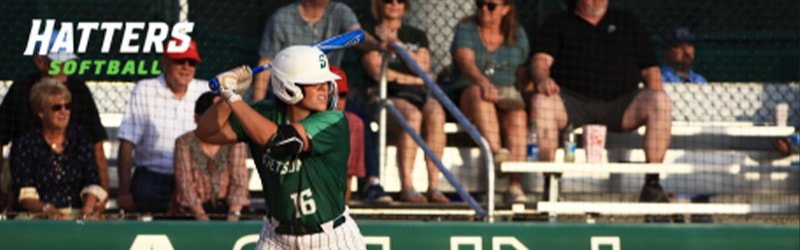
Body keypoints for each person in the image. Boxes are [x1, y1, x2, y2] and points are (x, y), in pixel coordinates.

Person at [196, 45, 365, 249]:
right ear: (288, 86)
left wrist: (232, 96)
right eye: (314, 82)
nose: (325, 88)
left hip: (330, 238)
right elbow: (206, 132)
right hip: (277, 237)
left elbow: (281, 141)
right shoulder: (263, 114)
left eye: (326, 81)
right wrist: (227, 98)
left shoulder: (334, 121)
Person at [528, 0, 672, 204]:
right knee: (542, 102)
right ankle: (550, 185)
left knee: (660, 100)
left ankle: (652, 185)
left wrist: (658, 103)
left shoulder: (627, 21)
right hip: (572, 103)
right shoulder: (558, 22)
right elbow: (540, 61)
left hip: (621, 105)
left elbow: (651, 70)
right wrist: (542, 79)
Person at [256, 0, 394, 205]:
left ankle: (371, 183)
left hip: (326, 89)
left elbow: (357, 35)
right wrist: (257, 102)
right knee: (265, 122)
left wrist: (379, 45)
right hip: (289, 89)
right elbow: (266, 62)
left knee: (360, 120)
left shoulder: (340, 11)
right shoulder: (282, 17)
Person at [0, 30, 109, 212]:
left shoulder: (79, 91)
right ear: (40, 61)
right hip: (25, 175)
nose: (65, 67)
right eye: (59, 62)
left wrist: (102, 193)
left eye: (68, 63)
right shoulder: (20, 91)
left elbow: (96, 145)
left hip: (73, 180)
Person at [361, 0, 449, 203]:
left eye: (400, 0)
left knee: (436, 112)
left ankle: (434, 186)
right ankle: (407, 186)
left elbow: (423, 66)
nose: (394, 4)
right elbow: (375, 71)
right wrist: (413, 78)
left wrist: (397, 44)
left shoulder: (416, 35)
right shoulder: (369, 34)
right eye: (388, 0)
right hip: (384, 97)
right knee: (411, 115)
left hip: (418, 95)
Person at [442, 0, 530, 203]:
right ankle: (498, 155)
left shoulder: (517, 34)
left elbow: (523, 73)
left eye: (491, 6)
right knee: (478, 94)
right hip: (467, 93)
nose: (483, 10)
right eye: (480, 4)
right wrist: (483, 82)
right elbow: (465, 60)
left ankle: (515, 186)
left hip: (505, 97)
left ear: (506, 9)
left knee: (518, 116)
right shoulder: (467, 29)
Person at [116, 37, 208, 215]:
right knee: (146, 193)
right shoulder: (145, 89)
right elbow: (127, 144)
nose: (186, 67)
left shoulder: (205, 90)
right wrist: (124, 192)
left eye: (192, 62)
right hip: (154, 173)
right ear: (164, 62)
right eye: (180, 61)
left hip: (196, 175)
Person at [10, 78, 107, 220]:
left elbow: (92, 181)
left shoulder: (81, 139)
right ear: (41, 112)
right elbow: (25, 194)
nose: (64, 112)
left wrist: (88, 208)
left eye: (67, 106)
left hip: (77, 211)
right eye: (57, 107)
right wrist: (47, 210)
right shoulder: (25, 145)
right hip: (37, 214)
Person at [173, 92, 250, 221]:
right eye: (213, 117)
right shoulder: (184, 142)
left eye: (223, 116)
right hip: (194, 212)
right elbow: (185, 186)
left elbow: (240, 183)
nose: (219, 122)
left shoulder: (235, 141)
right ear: (197, 118)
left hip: (230, 210)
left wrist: (233, 216)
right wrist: (202, 218)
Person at [329, 66, 366, 205]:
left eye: (342, 95)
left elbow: (347, 178)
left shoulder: (353, 125)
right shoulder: (301, 124)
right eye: (333, 95)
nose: (338, 102)